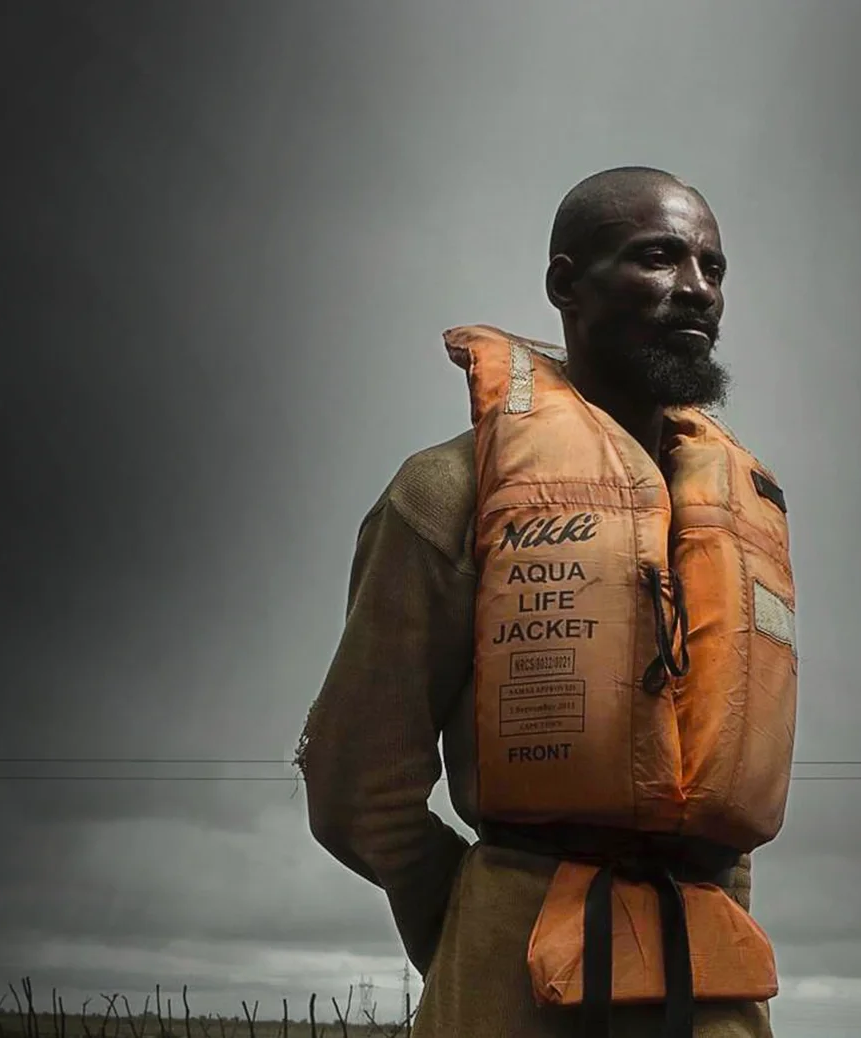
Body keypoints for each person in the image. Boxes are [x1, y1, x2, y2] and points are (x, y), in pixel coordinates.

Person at [296, 167, 799, 1038]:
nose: (697, 289)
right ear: (567, 284)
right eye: (659, 257)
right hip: (516, 985)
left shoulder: (740, 517)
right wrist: (476, 921)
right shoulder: (446, 493)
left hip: (713, 1000)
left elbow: (725, 791)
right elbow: (356, 786)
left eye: (713, 267)